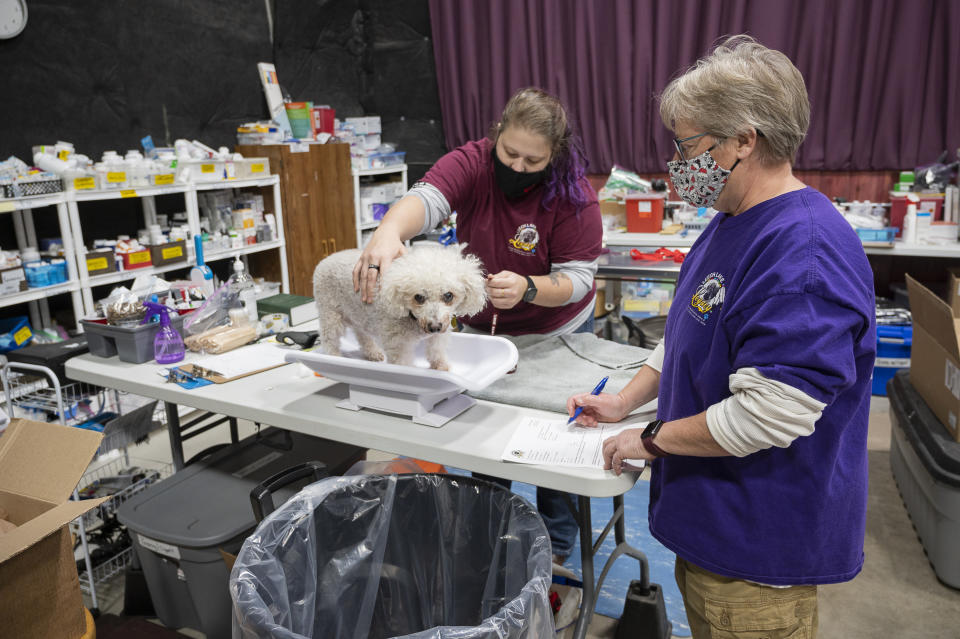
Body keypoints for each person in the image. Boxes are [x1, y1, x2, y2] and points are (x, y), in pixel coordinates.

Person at [567, 36, 875, 638]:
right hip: (712, 526)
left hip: (758, 551)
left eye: (686, 145)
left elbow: (771, 413)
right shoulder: (732, 219)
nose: (677, 162)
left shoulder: (802, 253)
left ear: (743, 140)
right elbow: (689, 330)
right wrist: (625, 401)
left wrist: (650, 439)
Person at [353, 87, 603, 564]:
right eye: (510, 153)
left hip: (557, 332)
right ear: (496, 137)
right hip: (485, 331)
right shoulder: (472, 163)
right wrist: (388, 231)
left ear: (556, 155)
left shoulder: (574, 196)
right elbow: (426, 199)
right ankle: (487, 536)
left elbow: (577, 280)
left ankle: (556, 554)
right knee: (485, 437)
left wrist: (530, 287)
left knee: (559, 443)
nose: (519, 166)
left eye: (534, 160)